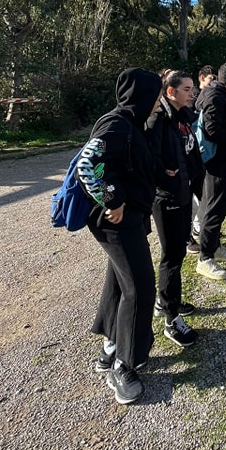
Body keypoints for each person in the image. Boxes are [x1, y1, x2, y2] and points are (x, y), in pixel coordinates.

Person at [76, 67, 162, 405]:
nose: (158, 101)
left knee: (120, 280)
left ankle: (110, 346)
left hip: (130, 217)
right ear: (142, 96)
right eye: (155, 95)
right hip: (115, 221)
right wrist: (112, 198)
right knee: (140, 287)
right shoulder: (116, 124)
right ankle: (124, 366)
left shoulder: (130, 123)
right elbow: (87, 166)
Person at [146, 71, 199, 349]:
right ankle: (170, 318)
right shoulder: (158, 119)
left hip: (181, 193)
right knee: (172, 255)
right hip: (165, 198)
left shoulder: (181, 117)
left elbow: (189, 153)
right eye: (188, 89)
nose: (193, 93)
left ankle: (167, 301)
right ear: (171, 92)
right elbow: (147, 157)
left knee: (178, 252)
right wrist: (163, 175)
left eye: (193, 88)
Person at [194, 62, 226, 281]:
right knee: (213, 208)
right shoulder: (215, 96)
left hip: (225, 159)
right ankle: (205, 258)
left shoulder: (218, 93)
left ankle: (214, 247)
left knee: (220, 205)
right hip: (216, 161)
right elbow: (212, 130)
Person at [187, 65, 216, 254]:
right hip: (194, 154)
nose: (212, 81)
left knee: (204, 195)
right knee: (193, 197)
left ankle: (197, 226)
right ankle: (187, 234)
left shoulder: (212, 96)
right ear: (201, 78)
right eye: (210, 78)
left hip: (204, 154)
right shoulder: (194, 99)